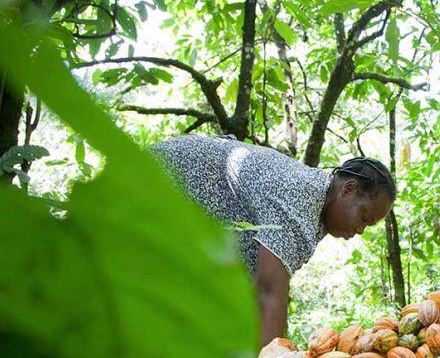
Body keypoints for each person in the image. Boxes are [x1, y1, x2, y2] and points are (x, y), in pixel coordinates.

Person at [151, 135, 394, 346]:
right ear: (348, 189)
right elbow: (268, 290)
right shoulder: (302, 196)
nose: (361, 230)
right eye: (364, 217)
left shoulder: (316, 207)